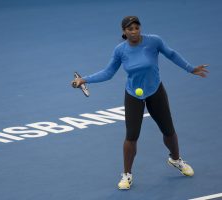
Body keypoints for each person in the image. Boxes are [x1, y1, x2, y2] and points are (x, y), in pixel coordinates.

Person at [71, 16, 209, 190]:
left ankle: (175, 159)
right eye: (130, 29)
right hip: (133, 96)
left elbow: (172, 54)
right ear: (124, 32)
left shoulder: (154, 41)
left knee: (169, 131)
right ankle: (127, 175)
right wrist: (85, 79)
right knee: (131, 136)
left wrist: (191, 68)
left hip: (155, 91)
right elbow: (108, 73)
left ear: (140, 28)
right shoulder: (120, 50)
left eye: (137, 27)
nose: (134, 31)